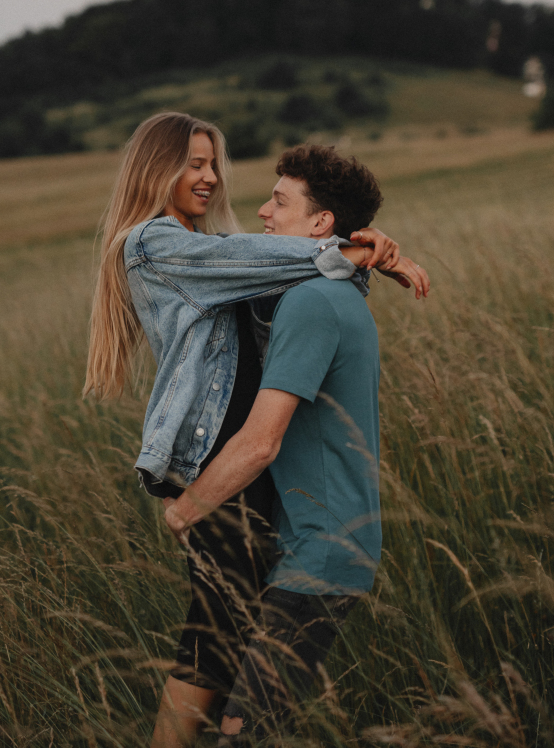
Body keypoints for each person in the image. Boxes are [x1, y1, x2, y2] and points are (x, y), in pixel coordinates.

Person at [83, 113, 422, 748]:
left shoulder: (223, 255)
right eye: (192, 163)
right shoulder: (153, 243)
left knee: (227, 641)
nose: (210, 177)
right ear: (155, 169)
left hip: (245, 469)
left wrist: (358, 253)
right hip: (218, 461)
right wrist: (348, 247)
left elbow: (291, 282)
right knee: (212, 640)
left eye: (213, 163)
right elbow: (259, 255)